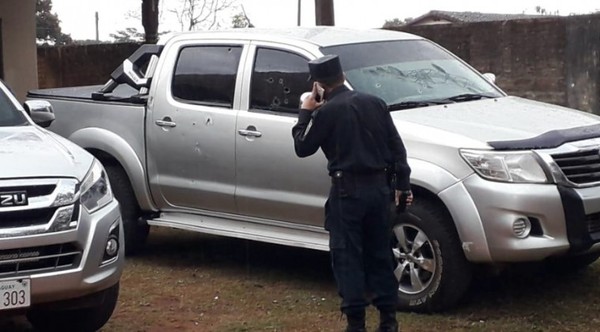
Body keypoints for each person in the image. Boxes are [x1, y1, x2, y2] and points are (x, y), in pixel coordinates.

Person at [291, 54, 412, 332]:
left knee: (347, 256)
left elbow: (302, 147)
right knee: (381, 254)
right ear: (343, 76)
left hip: (347, 192)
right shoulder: (375, 103)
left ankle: (356, 324)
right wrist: (402, 185)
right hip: (380, 190)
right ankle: (388, 321)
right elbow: (397, 149)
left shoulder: (326, 113)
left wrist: (305, 111)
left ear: (319, 85)